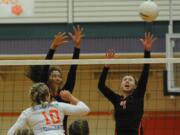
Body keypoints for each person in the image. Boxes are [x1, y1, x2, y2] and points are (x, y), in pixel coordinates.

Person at [26, 25, 84, 134]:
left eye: (59, 76)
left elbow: (73, 70)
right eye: (54, 75)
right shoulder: (43, 92)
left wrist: (77, 47)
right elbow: (45, 68)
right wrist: (53, 47)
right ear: (48, 79)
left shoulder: (65, 94)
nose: (57, 78)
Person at [98, 32, 156, 135]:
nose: (127, 81)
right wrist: (106, 67)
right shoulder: (116, 99)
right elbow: (101, 86)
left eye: (130, 80)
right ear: (121, 85)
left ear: (135, 86)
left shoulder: (138, 95)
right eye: (125, 79)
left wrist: (147, 51)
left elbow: (145, 72)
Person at [8, 83, 90, 135]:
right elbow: (85, 109)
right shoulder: (57, 106)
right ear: (47, 96)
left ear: (32, 97)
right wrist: (70, 97)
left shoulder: (27, 112)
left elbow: (10, 133)